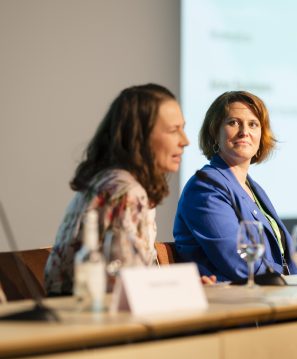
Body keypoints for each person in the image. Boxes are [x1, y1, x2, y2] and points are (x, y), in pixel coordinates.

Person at [45, 83, 215, 296]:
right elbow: (126, 287)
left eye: (183, 128)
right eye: (174, 130)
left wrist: (182, 286)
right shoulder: (125, 192)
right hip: (90, 313)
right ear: (140, 136)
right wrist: (181, 292)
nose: (185, 141)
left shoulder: (112, 180)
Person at [173, 91, 297, 282]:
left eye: (253, 124)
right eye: (233, 122)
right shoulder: (205, 188)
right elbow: (240, 262)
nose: (244, 132)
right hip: (230, 297)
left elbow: (287, 258)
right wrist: (289, 281)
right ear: (214, 132)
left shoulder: (253, 187)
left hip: (272, 290)